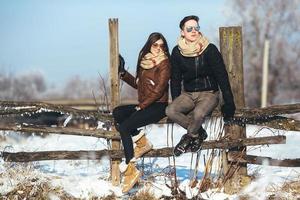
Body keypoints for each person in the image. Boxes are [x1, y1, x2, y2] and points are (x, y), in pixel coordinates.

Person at [166, 15, 236, 156]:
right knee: (170, 110)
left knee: (199, 113)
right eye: (189, 28)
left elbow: (221, 76)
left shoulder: (209, 49)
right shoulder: (177, 52)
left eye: (196, 28)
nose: (194, 31)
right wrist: (176, 100)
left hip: (209, 93)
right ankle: (198, 133)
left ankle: (188, 138)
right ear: (182, 32)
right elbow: (175, 79)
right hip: (188, 94)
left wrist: (229, 101)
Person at [112, 32, 171, 193]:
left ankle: (131, 170)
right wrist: (123, 73)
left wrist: (142, 106)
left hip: (158, 106)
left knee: (124, 128)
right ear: (149, 45)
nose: (159, 48)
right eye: (155, 45)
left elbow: (158, 90)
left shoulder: (165, 63)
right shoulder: (145, 62)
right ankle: (142, 142)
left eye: (162, 45)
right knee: (117, 113)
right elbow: (140, 84)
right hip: (146, 104)